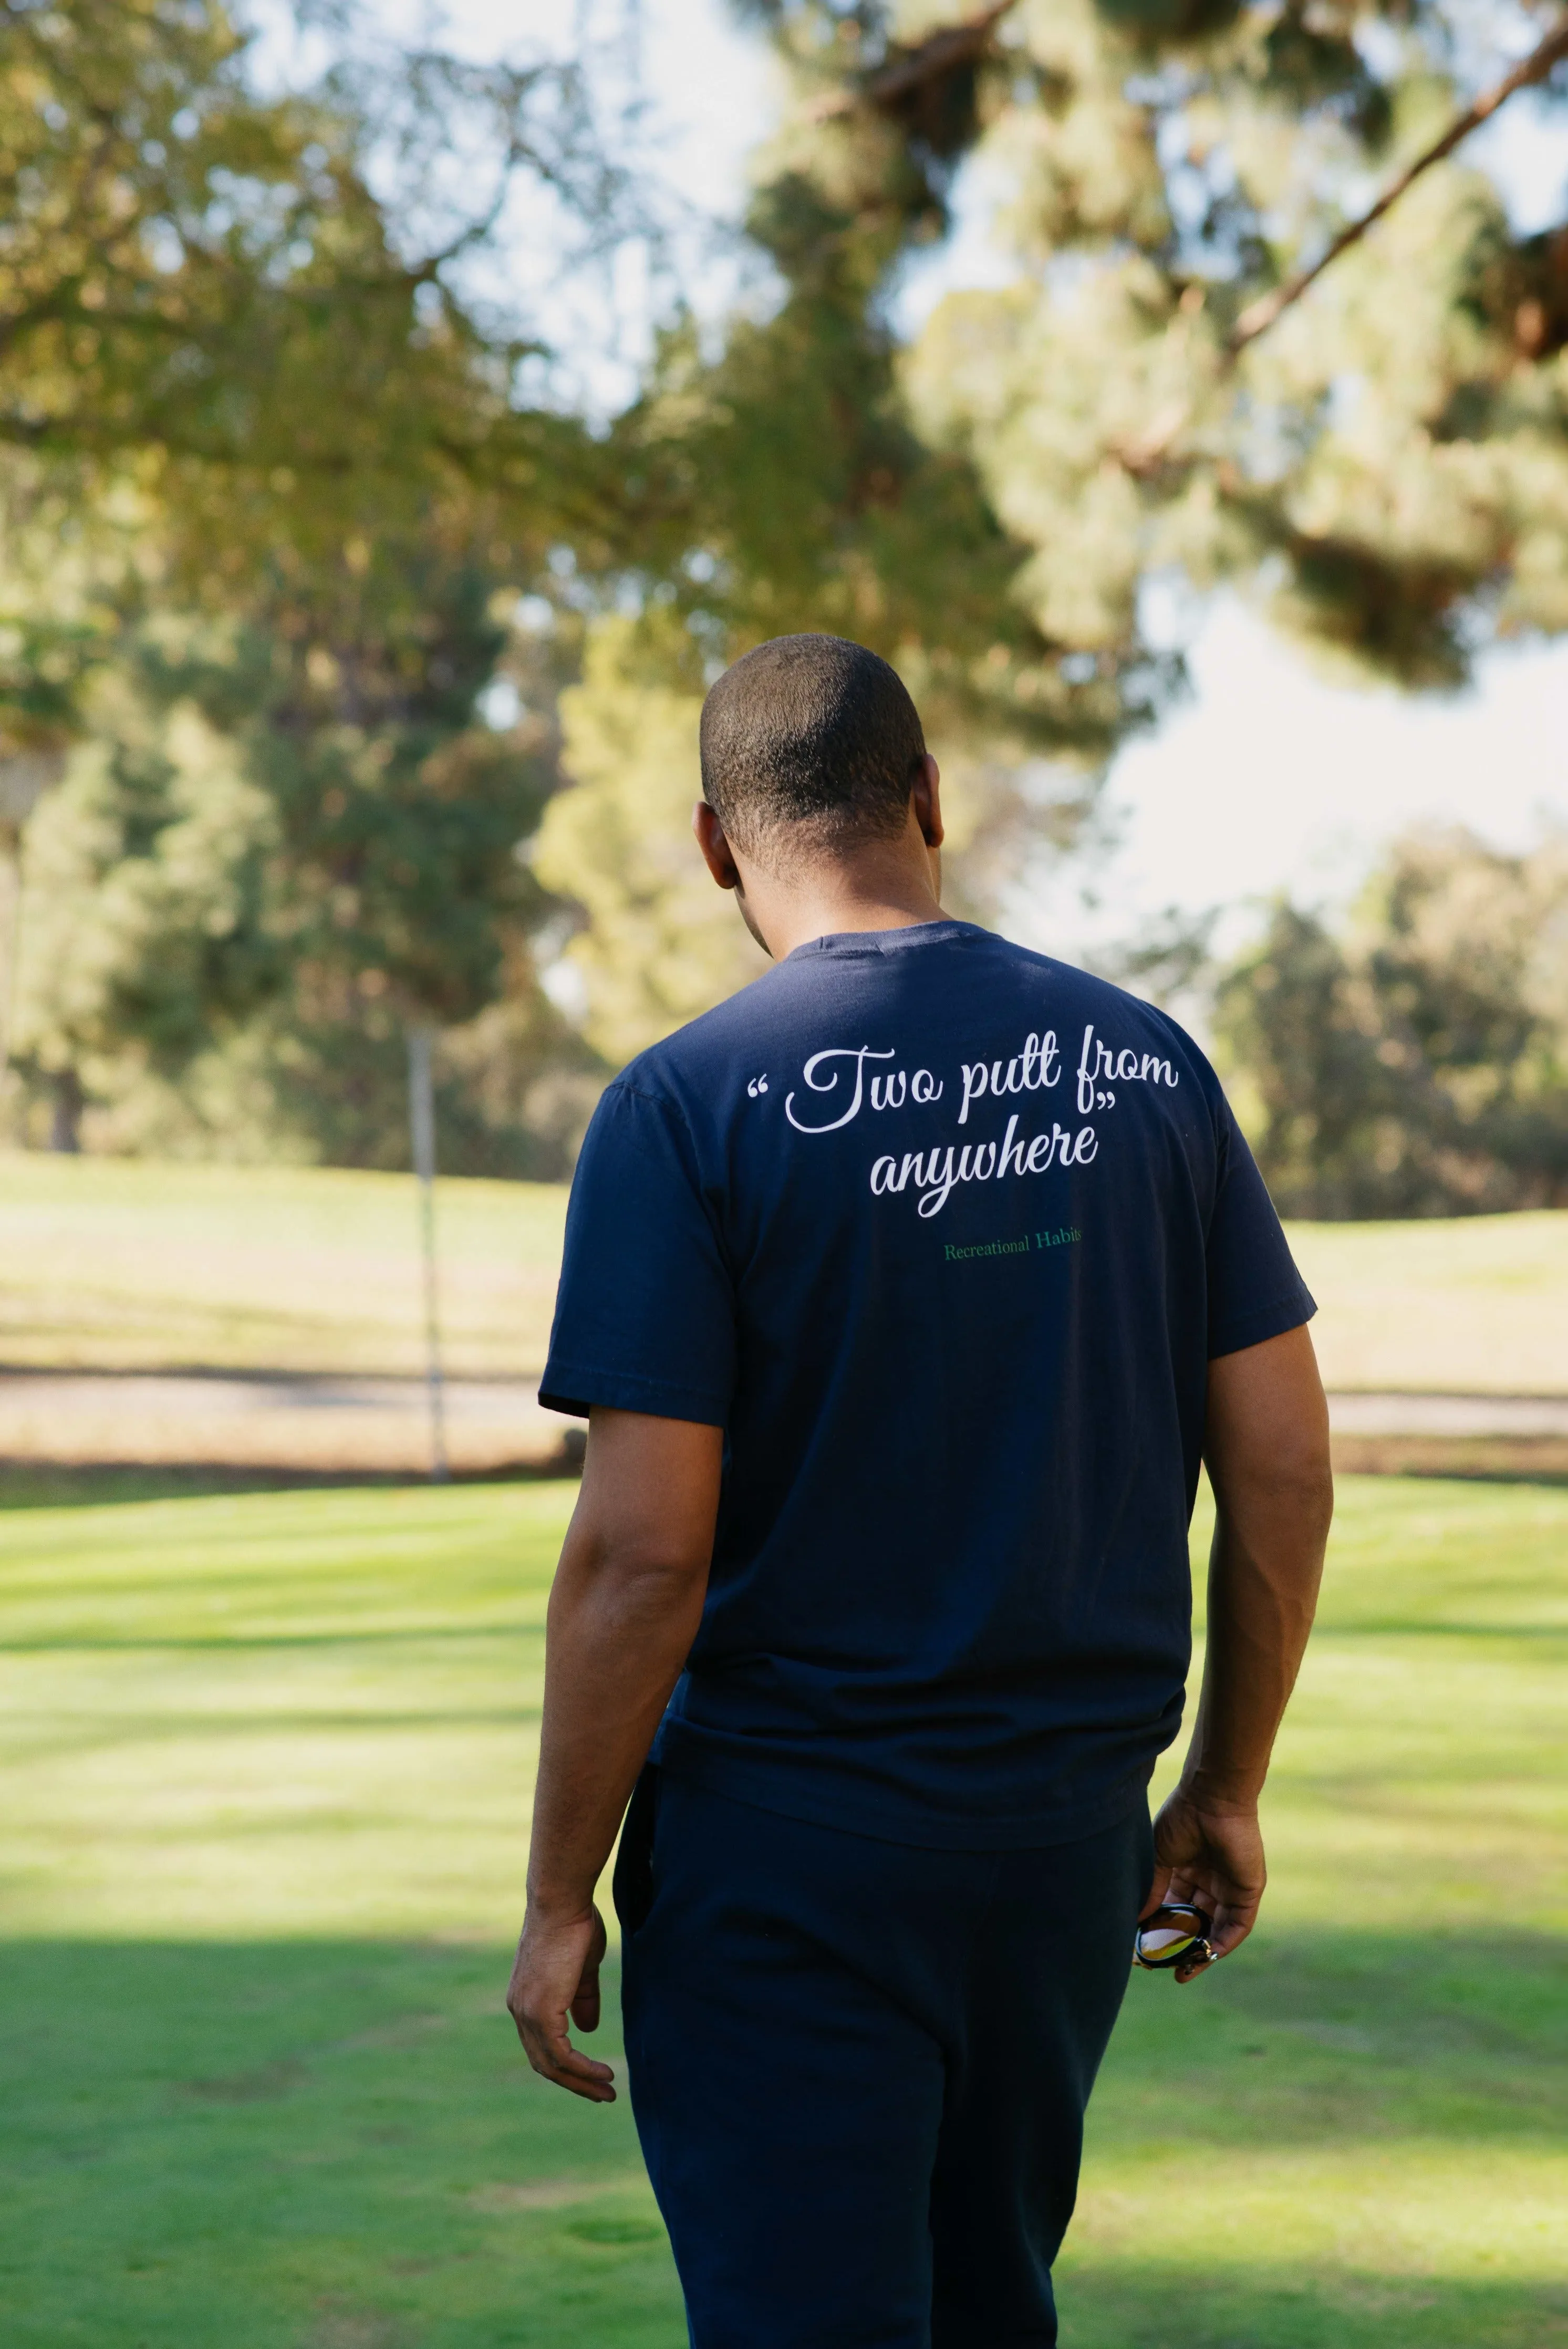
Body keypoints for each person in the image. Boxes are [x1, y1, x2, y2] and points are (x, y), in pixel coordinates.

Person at [507, 632, 1334, 2347]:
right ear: (931, 798)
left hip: (788, 1864)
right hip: (1063, 1853)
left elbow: (639, 1559)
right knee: (986, 2312)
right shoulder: (1148, 1066)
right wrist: (1226, 1784)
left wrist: (552, 1894)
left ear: (716, 846)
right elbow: (1282, 1458)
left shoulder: (683, 1110)